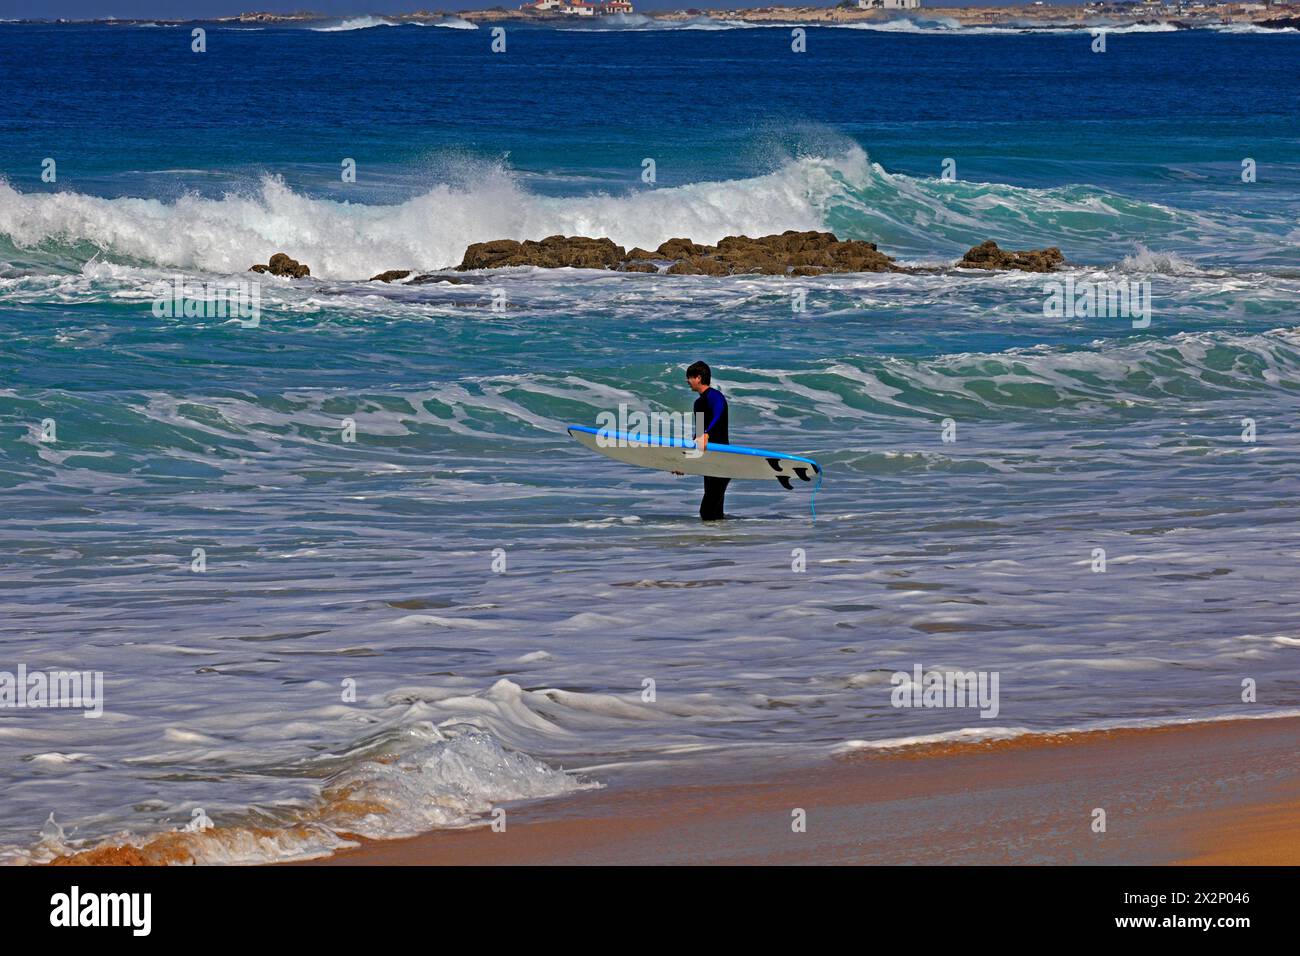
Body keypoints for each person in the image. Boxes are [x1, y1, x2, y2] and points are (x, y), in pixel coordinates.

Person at [684, 360, 730, 521]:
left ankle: (712, 542)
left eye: (689, 377)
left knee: (707, 511)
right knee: (715, 513)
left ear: (698, 377)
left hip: (722, 460)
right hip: (708, 462)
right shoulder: (698, 404)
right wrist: (684, 463)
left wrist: (707, 434)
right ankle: (720, 541)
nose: (687, 381)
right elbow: (698, 435)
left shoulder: (715, 396)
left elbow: (718, 414)